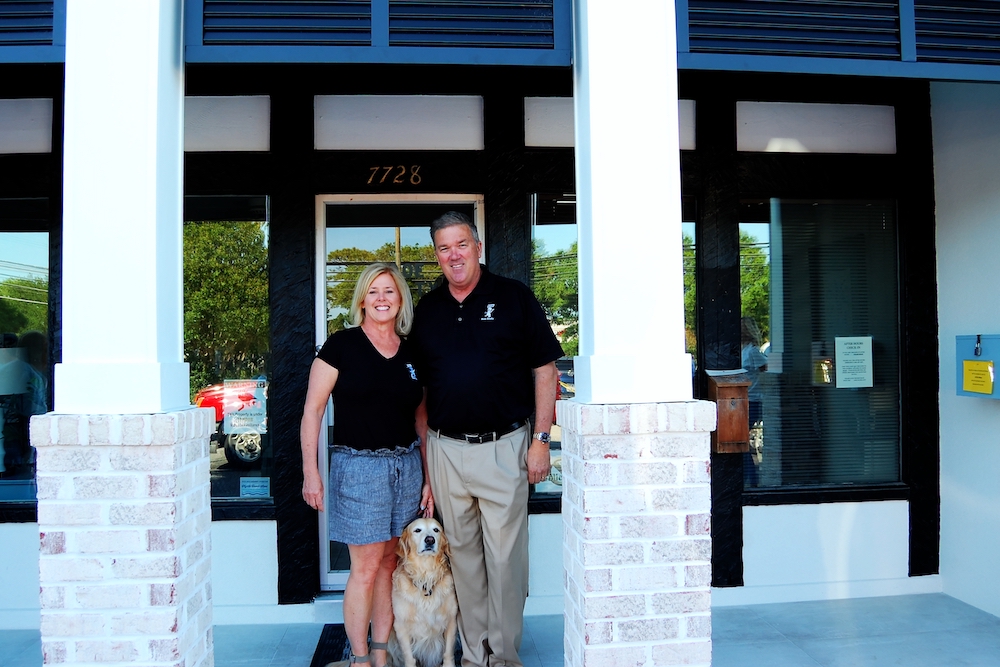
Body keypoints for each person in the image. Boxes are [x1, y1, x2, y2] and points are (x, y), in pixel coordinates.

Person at [410, 211, 563, 667]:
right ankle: (476, 657)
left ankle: (505, 659)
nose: (453, 254)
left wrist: (541, 439)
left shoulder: (513, 297)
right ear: (436, 256)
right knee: (465, 565)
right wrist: (427, 463)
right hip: (445, 450)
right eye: (443, 248)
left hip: (504, 448)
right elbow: (419, 391)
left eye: (461, 244)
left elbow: (545, 371)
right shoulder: (429, 309)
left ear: (478, 247)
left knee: (504, 564)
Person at [300, 263, 430, 667]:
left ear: (400, 299)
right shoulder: (341, 346)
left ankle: (380, 653)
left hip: (406, 467)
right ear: (361, 299)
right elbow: (313, 410)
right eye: (373, 291)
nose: (381, 298)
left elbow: (421, 419)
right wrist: (311, 471)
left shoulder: (411, 352)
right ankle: (358, 659)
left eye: (389, 291)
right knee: (366, 567)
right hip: (359, 469)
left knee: (391, 563)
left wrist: (428, 477)